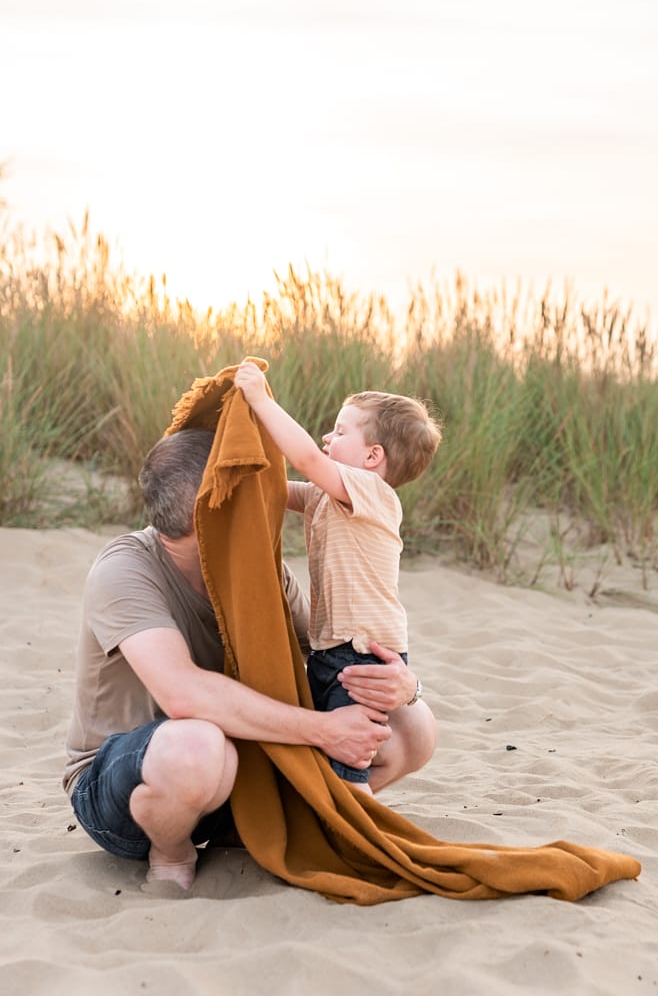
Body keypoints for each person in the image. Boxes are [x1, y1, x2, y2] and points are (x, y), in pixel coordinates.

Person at [64, 426, 436, 891]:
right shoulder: (124, 569)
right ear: (214, 514)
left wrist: (405, 685)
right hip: (127, 790)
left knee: (413, 727)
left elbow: (332, 643)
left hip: (237, 780)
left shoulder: (258, 570)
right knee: (198, 745)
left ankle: (276, 828)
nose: (267, 504)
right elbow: (183, 695)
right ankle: (171, 851)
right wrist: (324, 731)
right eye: (252, 493)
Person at [233, 361, 441, 789]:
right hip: (331, 649)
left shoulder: (372, 491)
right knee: (331, 756)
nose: (329, 437)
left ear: (372, 457)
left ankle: (361, 845)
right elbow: (274, 489)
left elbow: (307, 457)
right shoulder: (328, 496)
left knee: (349, 764)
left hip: (363, 654)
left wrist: (261, 399)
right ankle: (335, 834)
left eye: (341, 431)